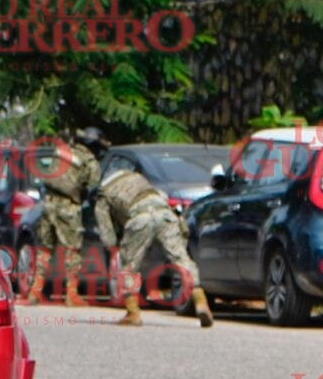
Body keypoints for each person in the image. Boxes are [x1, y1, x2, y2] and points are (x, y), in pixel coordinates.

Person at [95, 150, 215, 329]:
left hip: (139, 218)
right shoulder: (138, 179)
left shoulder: (103, 194)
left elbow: (106, 233)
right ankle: (200, 300)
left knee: (129, 267)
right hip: (165, 214)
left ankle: (132, 312)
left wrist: (114, 248)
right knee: (181, 258)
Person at [27, 129, 101, 304]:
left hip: (48, 203)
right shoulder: (90, 161)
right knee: (72, 250)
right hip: (68, 207)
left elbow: (46, 173)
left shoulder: (62, 151)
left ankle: (35, 291)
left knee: (45, 248)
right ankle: (71, 294)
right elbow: (93, 187)